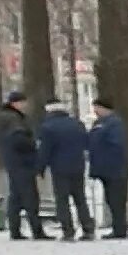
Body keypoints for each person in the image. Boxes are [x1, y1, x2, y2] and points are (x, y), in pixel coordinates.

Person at [36, 101, 92, 240]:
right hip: (78, 165)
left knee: (62, 200)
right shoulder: (78, 124)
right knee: (80, 199)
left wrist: (40, 168)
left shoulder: (48, 127)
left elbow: (45, 150)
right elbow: (86, 143)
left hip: (59, 168)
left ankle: (68, 231)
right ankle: (88, 229)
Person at [0, 92, 43, 240]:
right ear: (15, 103)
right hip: (22, 162)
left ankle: (15, 230)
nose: (25, 105)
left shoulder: (5, 117)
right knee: (30, 197)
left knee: (16, 197)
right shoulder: (14, 119)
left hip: (13, 161)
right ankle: (37, 230)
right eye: (23, 102)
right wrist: (34, 145)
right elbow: (19, 139)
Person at [86, 97, 128, 239]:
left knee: (117, 200)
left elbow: (117, 145)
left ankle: (120, 230)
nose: (95, 111)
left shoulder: (114, 123)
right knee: (111, 200)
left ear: (105, 108)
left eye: (97, 108)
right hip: (105, 169)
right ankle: (117, 228)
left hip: (115, 168)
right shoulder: (99, 123)